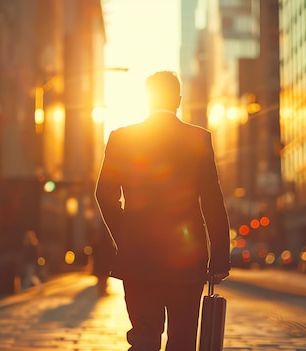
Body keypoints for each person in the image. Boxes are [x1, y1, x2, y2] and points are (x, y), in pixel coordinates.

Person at [95, 71, 230, 351]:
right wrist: (219, 258)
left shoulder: (122, 137)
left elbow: (104, 193)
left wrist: (127, 236)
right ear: (178, 99)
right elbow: (212, 201)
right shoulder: (199, 139)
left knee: (144, 336)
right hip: (186, 259)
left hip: (139, 257)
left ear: (147, 98)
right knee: (182, 340)